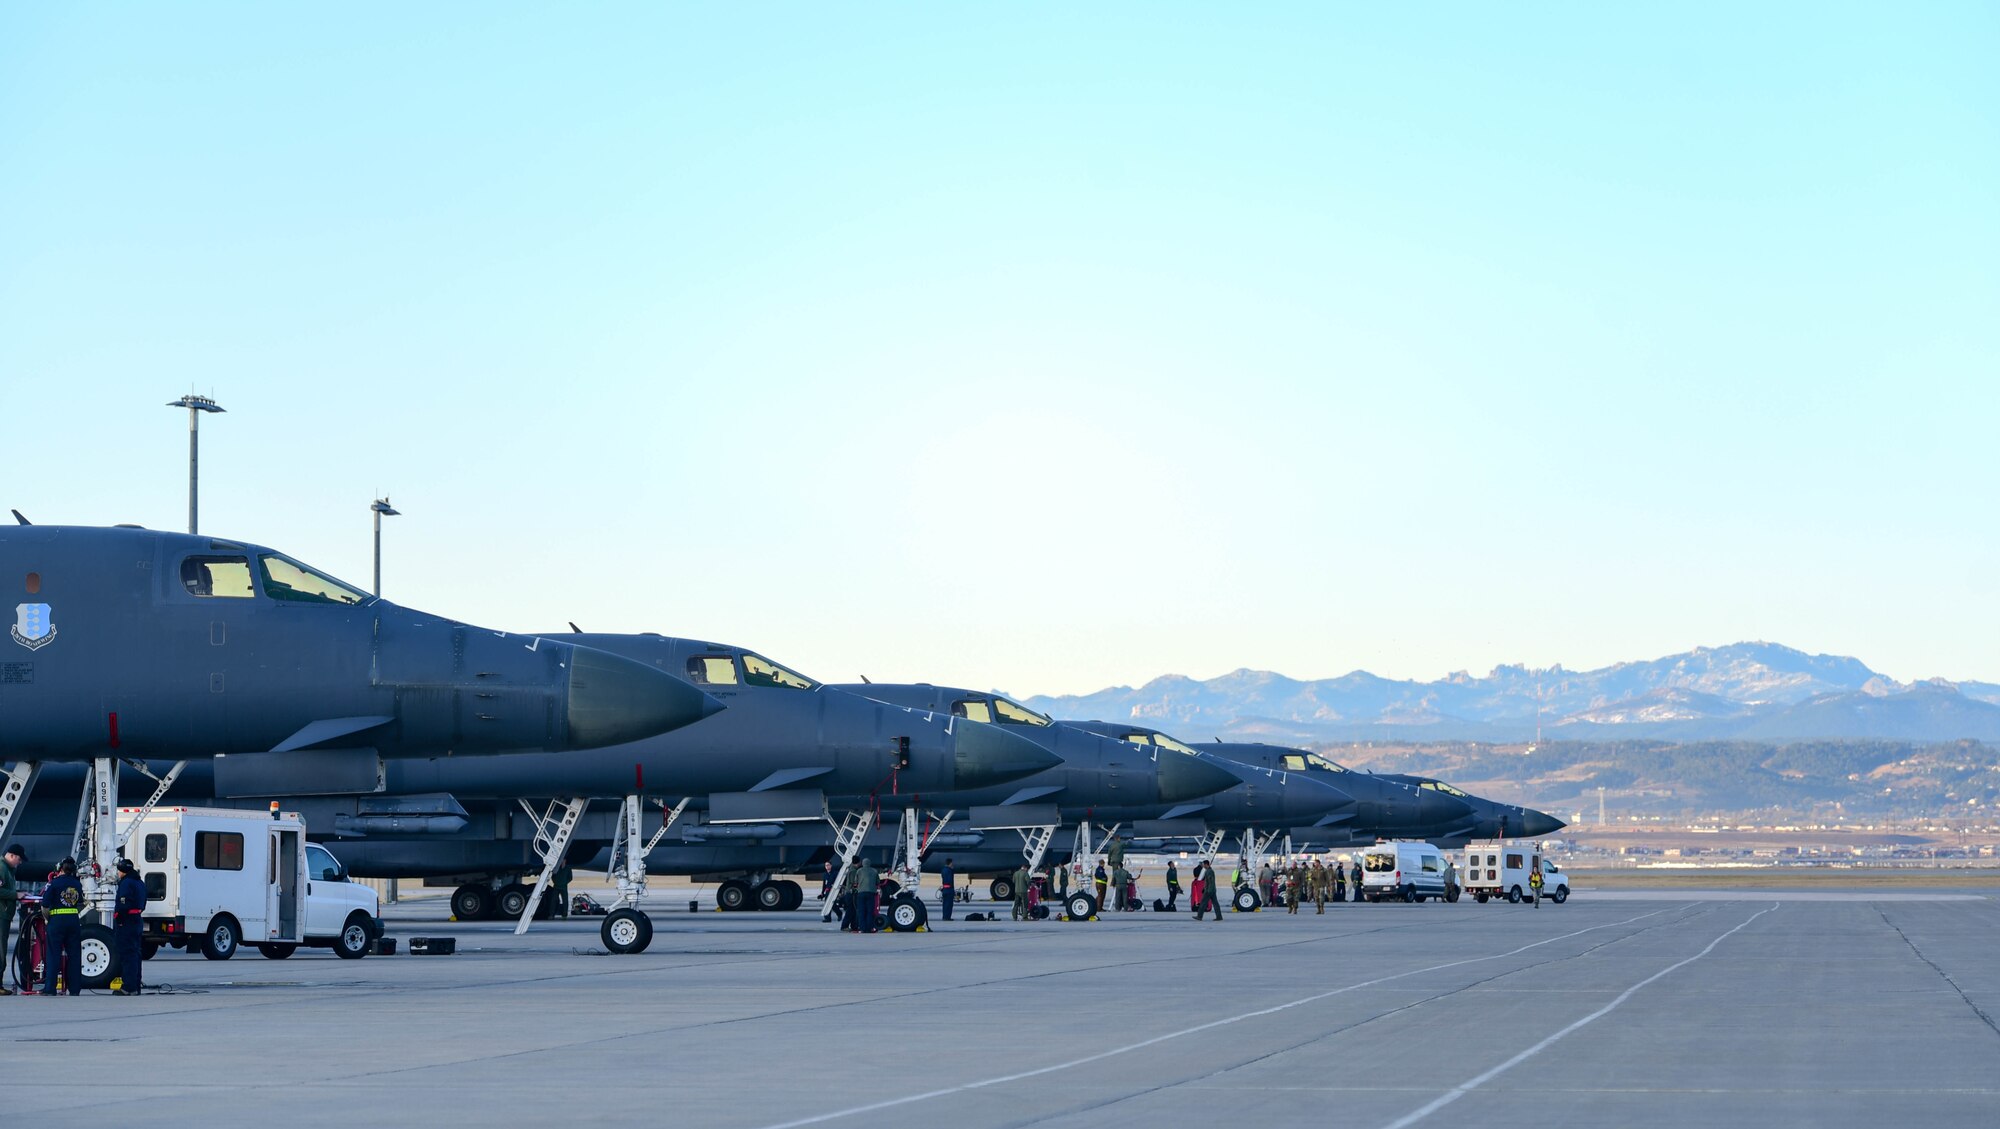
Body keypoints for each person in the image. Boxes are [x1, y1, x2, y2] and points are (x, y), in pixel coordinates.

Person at [42, 857, 85, 996]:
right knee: (74, 956)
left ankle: (50, 988)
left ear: (60, 868)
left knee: (54, 954)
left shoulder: (54, 883)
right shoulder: (77, 884)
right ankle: (74, 989)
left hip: (57, 921)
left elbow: (45, 904)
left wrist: (48, 919)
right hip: (73, 921)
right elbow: (80, 901)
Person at [112, 859, 146, 995]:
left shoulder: (126, 883)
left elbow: (123, 904)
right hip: (137, 919)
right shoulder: (140, 882)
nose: (118, 873)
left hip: (127, 921)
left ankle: (128, 987)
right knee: (136, 953)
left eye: (119, 871)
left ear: (123, 871)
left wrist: (119, 918)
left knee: (127, 954)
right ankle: (136, 986)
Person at [0, 844, 21, 995]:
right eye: (18, 859)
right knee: (1, 950)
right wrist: (16, 895)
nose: (19, 863)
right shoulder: (2, 868)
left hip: (4, 915)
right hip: (1, 915)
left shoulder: (8, 869)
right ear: (12, 856)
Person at [855, 858, 880, 933]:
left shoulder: (859, 871)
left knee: (861, 911)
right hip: (871, 893)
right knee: (870, 911)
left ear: (862, 863)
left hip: (861, 893)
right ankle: (869, 928)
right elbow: (877, 882)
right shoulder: (874, 871)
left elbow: (856, 882)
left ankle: (862, 928)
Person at [938, 858, 956, 922]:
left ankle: (944, 916)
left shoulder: (943, 870)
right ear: (950, 863)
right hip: (949, 889)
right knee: (949, 904)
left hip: (944, 889)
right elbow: (950, 881)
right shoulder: (949, 870)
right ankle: (947, 917)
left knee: (945, 904)